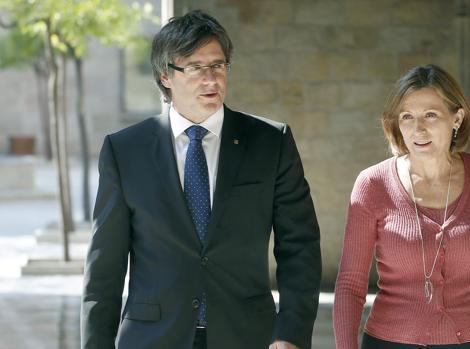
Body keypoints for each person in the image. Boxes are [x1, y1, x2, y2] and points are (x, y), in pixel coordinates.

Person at [81, 10, 321, 349]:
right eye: (195, 68)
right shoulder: (124, 151)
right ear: (165, 75)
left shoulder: (270, 142)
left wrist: (291, 333)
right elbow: (104, 267)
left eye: (218, 66)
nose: (211, 79)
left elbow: (300, 246)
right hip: (152, 337)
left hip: (247, 335)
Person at [333, 65, 470, 349]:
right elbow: (351, 283)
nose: (418, 128)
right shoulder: (373, 185)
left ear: (457, 118)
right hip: (391, 342)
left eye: (430, 115)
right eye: (407, 116)